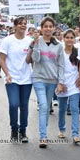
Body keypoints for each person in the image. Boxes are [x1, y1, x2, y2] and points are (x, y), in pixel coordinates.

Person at [26, 16, 65, 148]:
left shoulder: (59, 45)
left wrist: (61, 82)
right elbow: (35, 59)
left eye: (50, 26)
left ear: (53, 28)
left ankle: (44, 130)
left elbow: (61, 65)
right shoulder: (37, 41)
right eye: (45, 26)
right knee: (43, 105)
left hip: (52, 80)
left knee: (47, 107)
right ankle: (43, 136)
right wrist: (36, 44)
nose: (48, 28)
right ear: (41, 28)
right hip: (39, 79)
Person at [0, 16, 33, 143]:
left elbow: (30, 60)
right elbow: (2, 59)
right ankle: (14, 129)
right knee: (14, 104)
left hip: (26, 79)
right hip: (11, 78)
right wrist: (7, 74)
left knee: (24, 106)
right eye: (20, 23)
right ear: (15, 26)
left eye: (24, 24)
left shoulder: (30, 41)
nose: (23, 25)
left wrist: (33, 48)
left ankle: (23, 131)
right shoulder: (7, 40)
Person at [57, 29, 80, 144]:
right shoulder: (59, 52)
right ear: (63, 38)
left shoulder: (78, 52)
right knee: (62, 109)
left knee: (75, 108)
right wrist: (60, 83)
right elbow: (56, 68)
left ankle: (75, 134)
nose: (69, 40)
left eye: (72, 38)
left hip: (74, 86)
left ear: (74, 39)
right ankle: (62, 129)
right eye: (67, 37)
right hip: (62, 85)